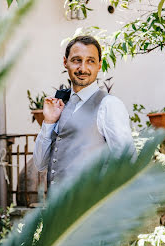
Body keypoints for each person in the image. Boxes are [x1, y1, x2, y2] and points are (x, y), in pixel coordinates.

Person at [33, 35, 135, 187]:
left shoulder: (109, 105)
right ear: (65, 62)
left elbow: (127, 163)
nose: (83, 68)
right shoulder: (61, 104)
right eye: (76, 60)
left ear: (99, 65)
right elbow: (40, 164)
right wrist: (48, 122)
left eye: (90, 61)